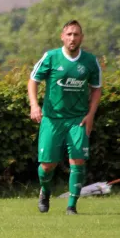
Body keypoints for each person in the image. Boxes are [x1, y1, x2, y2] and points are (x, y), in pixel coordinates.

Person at [28, 20, 102, 215]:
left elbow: (96, 88)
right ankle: (45, 190)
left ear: (81, 38)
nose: (72, 38)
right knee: (47, 165)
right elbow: (33, 80)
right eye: (69, 34)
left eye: (76, 34)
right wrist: (34, 105)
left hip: (77, 119)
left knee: (78, 161)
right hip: (52, 119)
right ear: (62, 36)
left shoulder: (89, 61)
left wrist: (91, 114)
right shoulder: (51, 57)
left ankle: (72, 205)